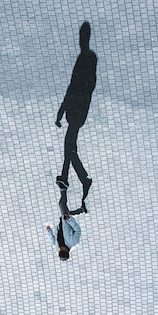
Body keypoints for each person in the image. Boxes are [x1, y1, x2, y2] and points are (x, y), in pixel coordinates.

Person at [55, 21, 97, 207]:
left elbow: (74, 86)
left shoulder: (86, 58)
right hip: (79, 109)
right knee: (69, 145)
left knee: (69, 146)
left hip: (76, 109)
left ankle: (83, 179)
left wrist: (61, 111)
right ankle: (65, 177)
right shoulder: (89, 57)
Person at [46, 189, 81, 261]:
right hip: (66, 218)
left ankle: (81, 210)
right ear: (67, 251)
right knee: (61, 204)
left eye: (60, 250)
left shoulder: (58, 249)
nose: (60, 248)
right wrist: (69, 220)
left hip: (62, 221)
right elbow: (78, 230)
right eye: (62, 249)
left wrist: (49, 230)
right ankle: (63, 188)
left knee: (63, 206)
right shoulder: (74, 242)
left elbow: (53, 240)